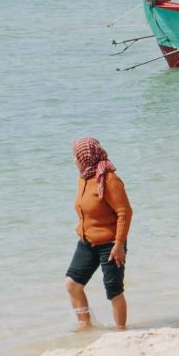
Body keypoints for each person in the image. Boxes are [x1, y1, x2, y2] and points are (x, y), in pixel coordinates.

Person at [66, 136, 131, 330]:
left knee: (114, 291)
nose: (74, 159)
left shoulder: (109, 179)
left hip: (111, 244)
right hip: (87, 241)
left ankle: (121, 331)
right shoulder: (84, 177)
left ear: (85, 157)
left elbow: (125, 212)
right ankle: (85, 327)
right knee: (72, 285)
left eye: (76, 155)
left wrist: (119, 244)